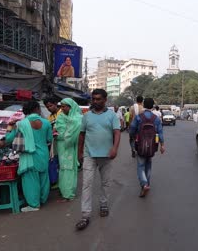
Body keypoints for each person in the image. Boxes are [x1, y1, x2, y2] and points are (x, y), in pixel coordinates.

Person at [76, 89, 121, 230]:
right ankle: (85, 215)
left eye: (98, 99)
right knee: (87, 184)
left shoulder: (112, 115)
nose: (95, 101)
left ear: (105, 100)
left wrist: (115, 148)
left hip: (106, 155)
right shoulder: (87, 116)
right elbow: (82, 135)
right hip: (89, 155)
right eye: (93, 99)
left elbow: (117, 132)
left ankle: (103, 205)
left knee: (105, 183)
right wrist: (79, 152)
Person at [5, 101, 53, 212]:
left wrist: (10, 126)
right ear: (37, 109)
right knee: (44, 178)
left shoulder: (21, 124)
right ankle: (42, 199)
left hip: (29, 156)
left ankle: (34, 205)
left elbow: (8, 139)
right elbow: (49, 139)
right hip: (43, 154)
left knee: (30, 181)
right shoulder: (46, 123)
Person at [129, 98, 165, 198]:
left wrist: (133, 135)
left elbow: (132, 129)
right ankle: (147, 184)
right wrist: (162, 145)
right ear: (153, 106)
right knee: (148, 165)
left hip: (140, 145)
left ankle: (144, 184)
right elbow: (160, 132)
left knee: (140, 166)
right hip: (152, 146)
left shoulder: (139, 117)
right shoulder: (156, 118)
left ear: (144, 105)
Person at [55, 98, 82, 202]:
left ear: (70, 107)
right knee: (63, 168)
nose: (61, 109)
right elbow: (60, 130)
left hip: (73, 147)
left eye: (64, 106)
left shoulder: (78, 118)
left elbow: (78, 132)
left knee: (70, 168)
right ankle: (64, 191)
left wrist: (67, 133)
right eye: (61, 106)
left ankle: (69, 193)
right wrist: (68, 132)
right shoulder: (60, 117)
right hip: (62, 146)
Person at [44, 98, 61, 188]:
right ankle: (55, 181)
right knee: (54, 161)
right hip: (54, 143)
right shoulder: (49, 118)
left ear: (55, 103)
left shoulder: (62, 113)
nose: (49, 108)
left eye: (50, 106)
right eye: (47, 107)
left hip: (63, 141)